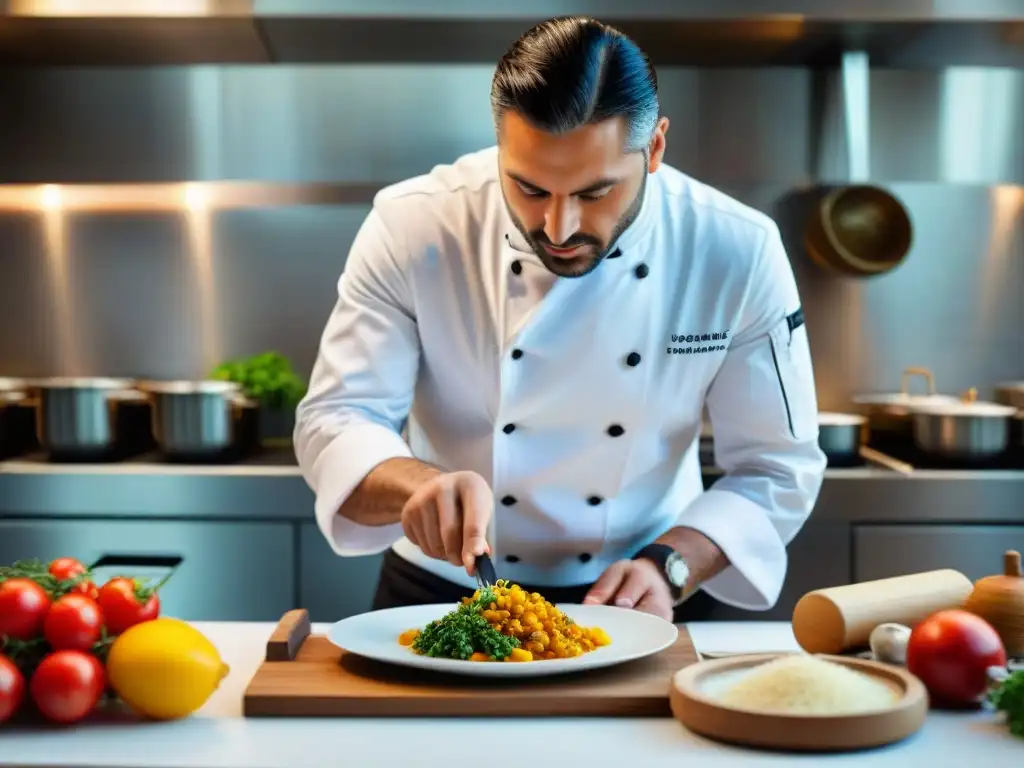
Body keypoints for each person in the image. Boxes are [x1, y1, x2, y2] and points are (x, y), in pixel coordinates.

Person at [294, 16, 827, 624]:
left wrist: (671, 563)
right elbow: (338, 418)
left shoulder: (734, 248)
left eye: (595, 193)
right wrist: (415, 486)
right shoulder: (414, 226)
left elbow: (776, 466)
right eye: (529, 188)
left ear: (654, 148)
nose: (558, 227)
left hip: (649, 589)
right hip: (443, 589)